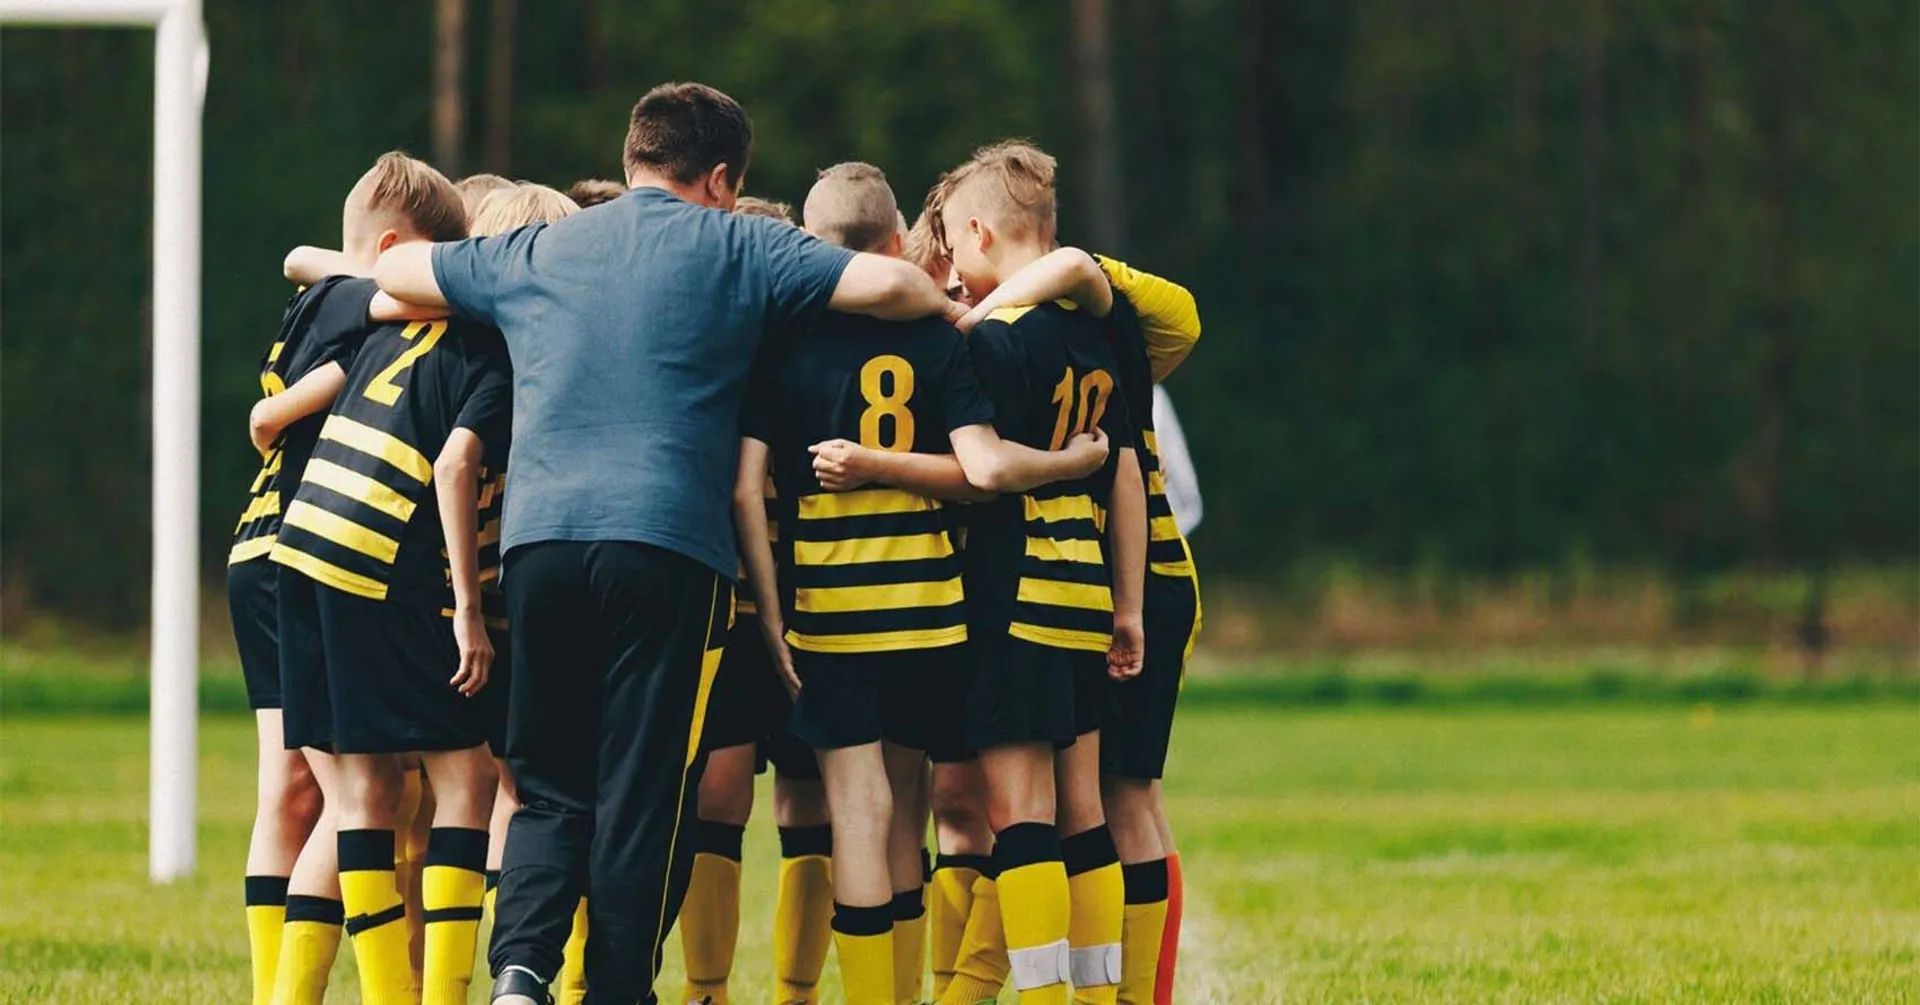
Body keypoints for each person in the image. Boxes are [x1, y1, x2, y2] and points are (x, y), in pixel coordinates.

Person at [367, 81, 953, 1005]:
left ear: (636, 155)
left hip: (540, 545)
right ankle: (615, 988)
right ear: (720, 179)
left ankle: (520, 970)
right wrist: (947, 307)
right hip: (666, 544)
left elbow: (400, 270)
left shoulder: (540, 246)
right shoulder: (740, 242)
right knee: (645, 787)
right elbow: (893, 283)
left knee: (550, 784)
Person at [733, 162, 1111, 1005]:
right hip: (933, 616)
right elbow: (979, 473)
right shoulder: (940, 337)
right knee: (910, 811)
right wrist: (1070, 462)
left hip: (832, 616)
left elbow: (743, 489)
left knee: (857, 815)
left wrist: (771, 612)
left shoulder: (785, 345)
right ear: (899, 239)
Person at [269, 151, 509, 1005]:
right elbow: (454, 466)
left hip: (300, 551)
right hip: (377, 560)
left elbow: (305, 271)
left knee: (365, 790)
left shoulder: (375, 317)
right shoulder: (486, 347)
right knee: (468, 778)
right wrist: (469, 608)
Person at [941, 140, 1147, 1005]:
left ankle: (1039, 997)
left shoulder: (994, 341)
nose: (953, 268)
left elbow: (982, 470)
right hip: (1083, 593)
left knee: (1019, 817)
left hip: (1014, 594)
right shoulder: (1098, 331)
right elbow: (1125, 471)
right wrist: (1129, 607)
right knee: (1083, 814)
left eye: (952, 243)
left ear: (980, 232)